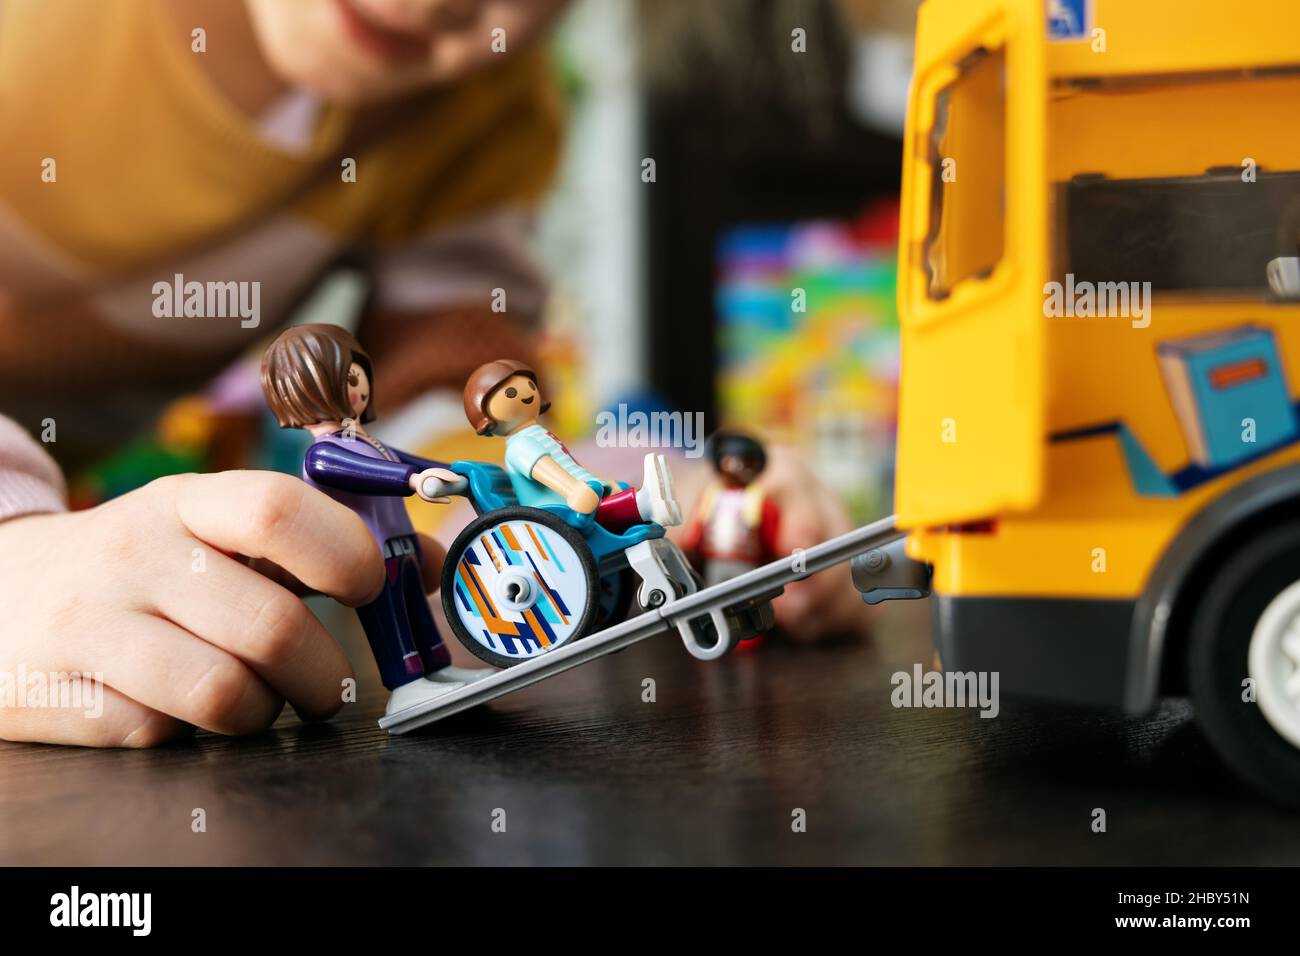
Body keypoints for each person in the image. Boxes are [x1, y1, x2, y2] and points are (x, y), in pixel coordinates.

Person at [262, 324, 488, 716]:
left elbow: (409, 460)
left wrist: (458, 472)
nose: (359, 385)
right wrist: (412, 480)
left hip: (403, 544)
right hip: (371, 556)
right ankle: (406, 684)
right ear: (305, 391)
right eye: (347, 377)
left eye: (358, 373)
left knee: (417, 611)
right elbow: (367, 472)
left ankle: (440, 668)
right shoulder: (324, 454)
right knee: (390, 619)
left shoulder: (368, 440)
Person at [463, 359, 682, 530]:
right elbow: (544, 469)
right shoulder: (519, 446)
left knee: (619, 489)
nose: (527, 393)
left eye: (530, 385)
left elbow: (570, 465)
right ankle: (647, 505)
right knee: (599, 507)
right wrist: (572, 490)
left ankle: (647, 502)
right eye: (511, 393)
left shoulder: (537, 434)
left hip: (568, 498)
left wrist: (600, 481)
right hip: (553, 510)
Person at [679, 431, 780, 587]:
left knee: (744, 594)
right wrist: (690, 544)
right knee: (714, 592)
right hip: (715, 559)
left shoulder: (758, 498)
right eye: (732, 461)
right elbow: (700, 523)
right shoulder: (711, 496)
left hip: (745, 560)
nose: (738, 467)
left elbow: (769, 530)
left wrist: (773, 555)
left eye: (746, 462)